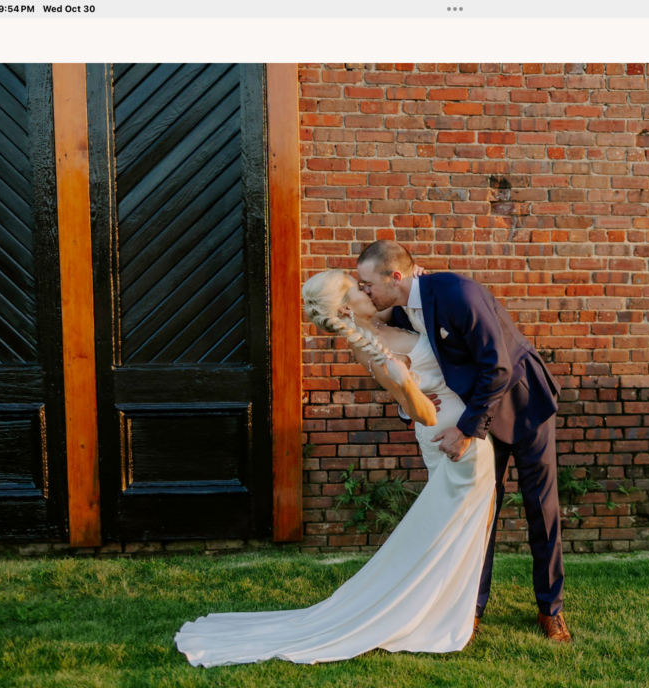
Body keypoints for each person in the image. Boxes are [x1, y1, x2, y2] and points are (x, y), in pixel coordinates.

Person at [174, 269, 498, 666]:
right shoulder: (373, 350)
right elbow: (424, 415)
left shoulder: (391, 318)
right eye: (357, 287)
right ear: (346, 307)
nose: (367, 289)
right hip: (450, 441)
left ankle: (443, 608)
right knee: (451, 527)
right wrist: (407, 385)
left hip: (460, 432)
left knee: (454, 527)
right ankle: (430, 613)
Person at [355, 240, 570, 643]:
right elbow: (420, 371)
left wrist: (467, 429)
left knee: (541, 510)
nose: (365, 292)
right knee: (479, 511)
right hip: (477, 410)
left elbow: (499, 366)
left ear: (394, 277)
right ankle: (470, 608)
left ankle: (550, 610)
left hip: (524, 406)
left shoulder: (459, 294)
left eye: (367, 284)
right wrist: (415, 404)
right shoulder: (401, 309)